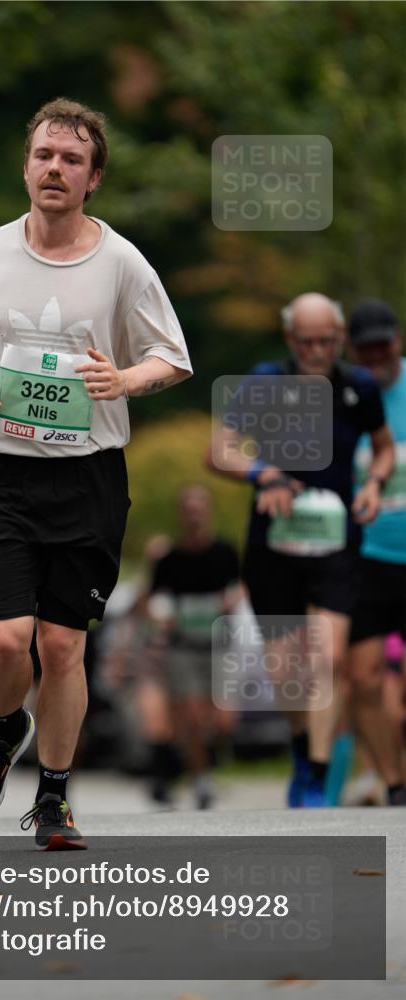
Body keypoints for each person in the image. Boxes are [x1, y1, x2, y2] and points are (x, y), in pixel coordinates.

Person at [0, 97, 192, 849]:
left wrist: (124, 381)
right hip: (4, 478)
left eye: (71, 159)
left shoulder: (120, 262)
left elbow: (171, 357)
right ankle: (3, 729)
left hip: (88, 479)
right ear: (26, 167)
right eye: (44, 155)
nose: (55, 168)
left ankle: (52, 801)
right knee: (10, 640)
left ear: (93, 179)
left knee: (62, 646)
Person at [209, 293, 394, 807]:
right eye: (307, 342)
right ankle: (300, 748)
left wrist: (375, 483)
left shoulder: (358, 386)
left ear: (341, 340)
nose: (317, 351)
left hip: (337, 542)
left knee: (329, 656)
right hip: (276, 541)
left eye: (327, 341)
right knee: (286, 671)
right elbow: (220, 448)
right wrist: (261, 473)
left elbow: (381, 448)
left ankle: (314, 775)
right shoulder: (266, 381)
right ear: (291, 340)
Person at [144, 485, 242, 808]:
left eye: (200, 507)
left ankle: (209, 758)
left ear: (208, 511)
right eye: (189, 508)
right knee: (193, 718)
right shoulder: (169, 558)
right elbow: (153, 600)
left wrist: (231, 600)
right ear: (181, 514)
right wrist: (162, 617)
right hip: (183, 646)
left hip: (219, 643)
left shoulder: (225, 552)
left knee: (224, 721)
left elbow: (240, 587)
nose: (194, 514)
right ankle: (200, 780)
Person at [345, 299, 406, 805]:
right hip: (364, 558)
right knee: (363, 680)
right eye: (365, 350)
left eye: (382, 345)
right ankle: (394, 782)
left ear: (398, 341)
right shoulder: (339, 395)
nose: (376, 356)